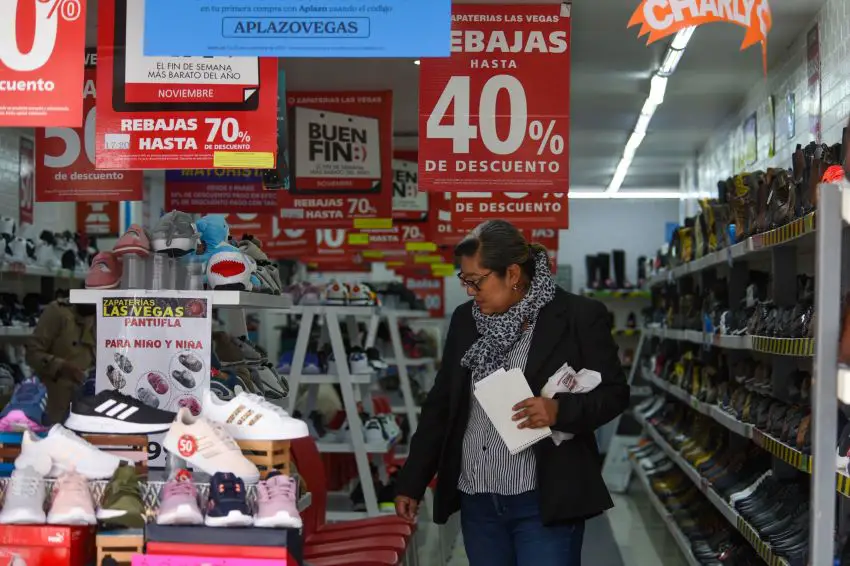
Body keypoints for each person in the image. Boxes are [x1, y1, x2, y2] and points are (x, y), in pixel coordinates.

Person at [394, 220, 630, 566]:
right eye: (465, 281)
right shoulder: (466, 320)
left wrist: (559, 411)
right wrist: (411, 481)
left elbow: (615, 394)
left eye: (477, 281)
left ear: (514, 273)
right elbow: (442, 404)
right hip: (478, 498)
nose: (470, 291)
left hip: (543, 499)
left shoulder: (578, 316)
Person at [26, 298, 96, 424]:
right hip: (56, 401)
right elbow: (32, 353)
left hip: (89, 404)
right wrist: (61, 366)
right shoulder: (58, 312)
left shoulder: (105, 315)